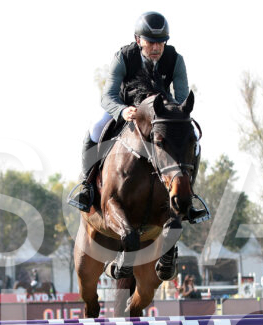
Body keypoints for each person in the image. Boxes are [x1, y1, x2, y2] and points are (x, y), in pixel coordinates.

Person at [66, 11, 209, 224]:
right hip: (126, 107)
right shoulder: (123, 57)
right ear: (138, 39)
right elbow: (108, 96)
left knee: (194, 136)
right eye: (151, 42)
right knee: (95, 127)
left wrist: (171, 114)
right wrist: (122, 110)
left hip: (160, 113)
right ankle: (87, 186)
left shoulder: (175, 60)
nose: (156, 48)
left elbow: (181, 98)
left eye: (161, 42)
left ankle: (189, 195)